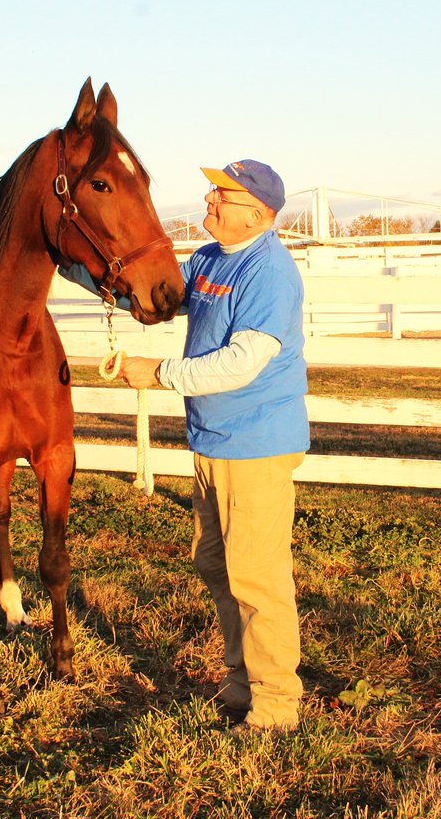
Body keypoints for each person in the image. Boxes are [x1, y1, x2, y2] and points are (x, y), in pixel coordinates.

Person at [117, 159, 310, 732]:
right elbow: (157, 291)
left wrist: (159, 373)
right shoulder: (207, 260)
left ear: (255, 212)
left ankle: (276, 704)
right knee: (216, 562)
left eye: (220, 193)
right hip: (213, 438)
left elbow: (243, 362)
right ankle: (240, 680)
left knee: (255, 571)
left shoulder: (268, 270)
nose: (207, 198)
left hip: (255, 440)